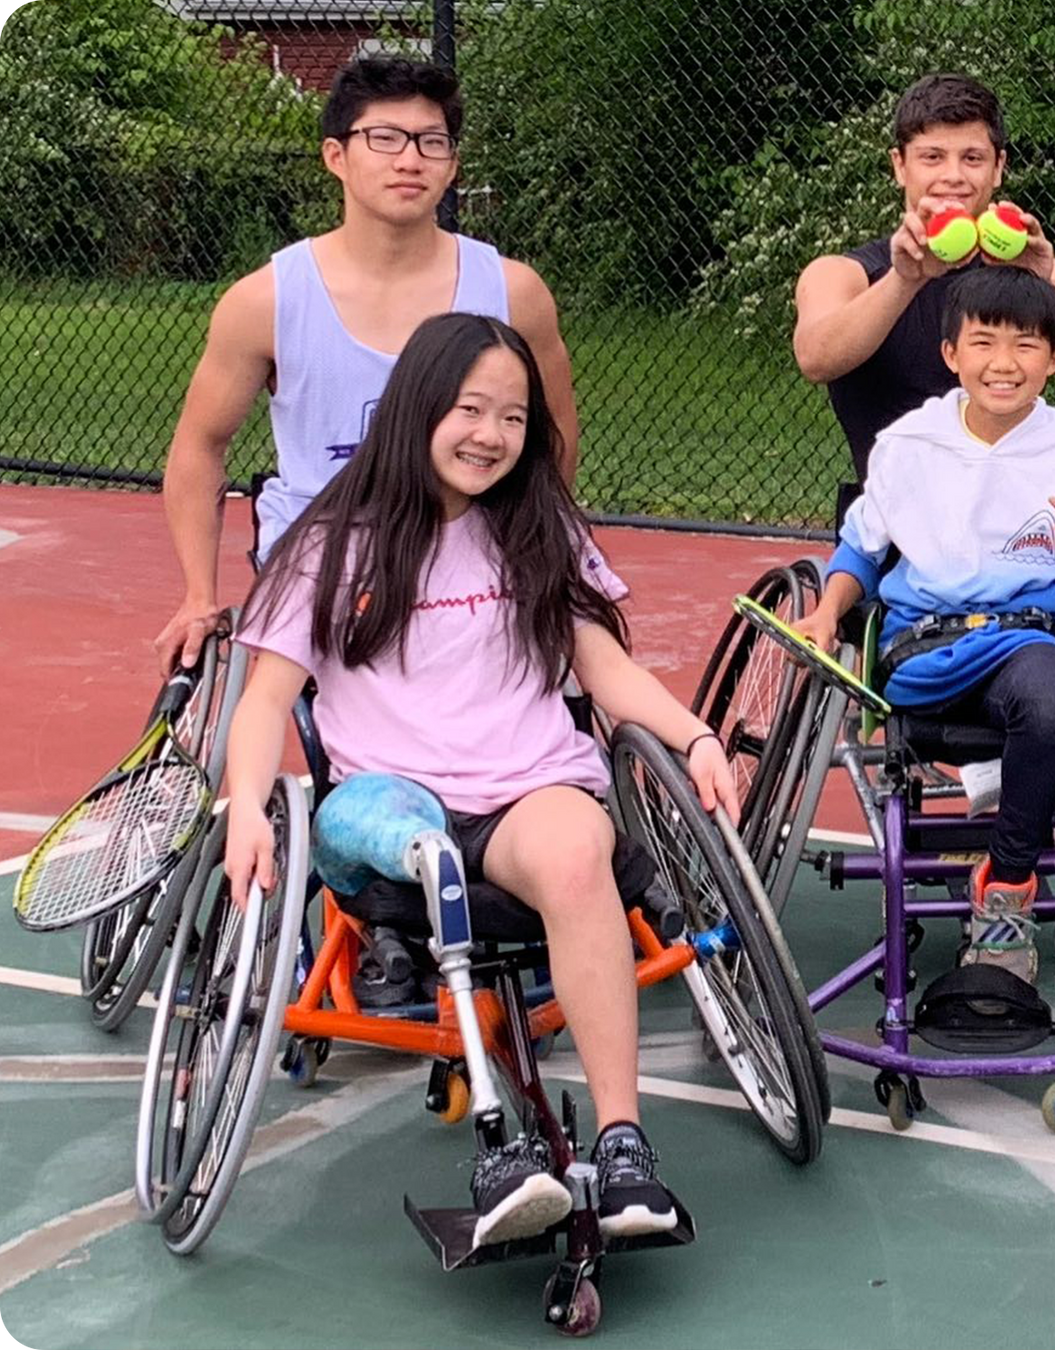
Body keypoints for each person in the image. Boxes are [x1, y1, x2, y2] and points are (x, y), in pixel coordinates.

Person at [223, 311, 737, 1247]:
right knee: (428, 852)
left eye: (512, 417)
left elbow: (606, 673)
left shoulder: (540, 532)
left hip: (523, 792)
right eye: (469, 409)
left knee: (581, 843)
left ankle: (623, 1149)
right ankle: (502, 1142)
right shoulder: (332, 541)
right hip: (386, 803)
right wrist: (248, 811)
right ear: (418, 408)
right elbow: (264, 703)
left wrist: (696, 736)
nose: (490, 435)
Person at [155, 56, 579, 676]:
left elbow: (555, 437)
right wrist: (198, 595)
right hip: (324, 561)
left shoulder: (513, 293)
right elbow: (198, 448)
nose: (410, 160)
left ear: (452, 165)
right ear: (336, 156)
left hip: (472, 554)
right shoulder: (265, 302)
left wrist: (540, 552)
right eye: (385, 138)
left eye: (432, 142)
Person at [794, 268, 1055, 987]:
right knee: (1017, 690)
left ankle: (1005, 896)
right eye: (983, 342)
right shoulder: (907, 444)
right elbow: (860, 547)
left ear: (1053, 358)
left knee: (1052, 700)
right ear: (951, 354)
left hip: (1027, 644)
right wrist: (827, 614)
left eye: (1026, 346)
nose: (1003, 363)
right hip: (923, 651)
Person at [793, 72, 1055, 489]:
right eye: (932, 157)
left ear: (998, 167)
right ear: (899, 166)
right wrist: (905, 280)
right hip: (890, 531)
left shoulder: (1048, 272)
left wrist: (1038, 278)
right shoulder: (842, 274)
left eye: (972, 158)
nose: (953, 175)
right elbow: (816, 359)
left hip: (1012, 522)